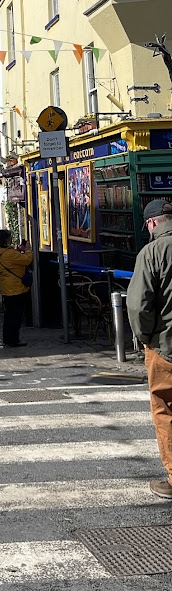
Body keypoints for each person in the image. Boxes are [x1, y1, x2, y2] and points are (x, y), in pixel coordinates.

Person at [127, 200, 172, 499]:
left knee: (165, 409)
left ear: (152, 223)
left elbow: (139, 303)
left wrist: (144, 338)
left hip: (165, 345)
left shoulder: (152, 252)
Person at [0, 229, 33, 348]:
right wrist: (28, 250)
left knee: (9, 314)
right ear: (7, 239)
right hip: (15, 287)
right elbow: (26, 260)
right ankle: (14, 339)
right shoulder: (9, 253)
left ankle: (8, 338)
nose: (12, 239)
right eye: (10, 237)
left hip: (6, 286)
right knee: (16, 315)